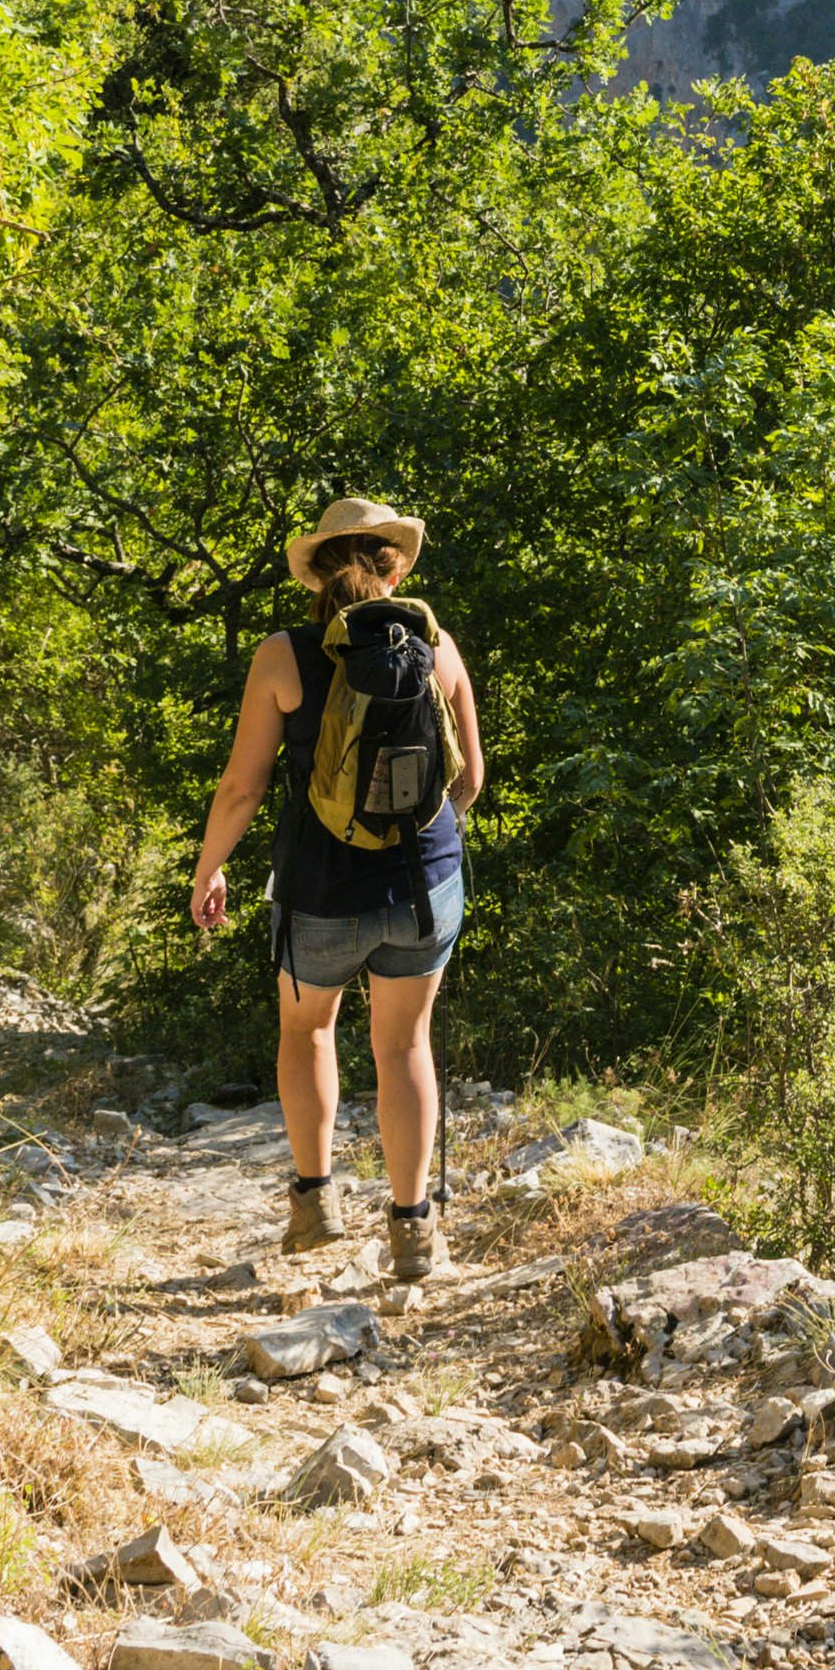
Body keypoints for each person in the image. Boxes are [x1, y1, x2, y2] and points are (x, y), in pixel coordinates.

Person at [189, 490, 484, 1277]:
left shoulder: (284, 654)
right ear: (394, 564)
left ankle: (315, 1203)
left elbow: (242, 789)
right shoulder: (439, 645)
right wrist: (421, 843)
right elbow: (471, 781)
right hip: (423, 887)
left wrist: (208, 866)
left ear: (315, 571)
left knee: (307, 1030)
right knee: (402, 1043)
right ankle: (412, 1228)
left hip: (318, 888)